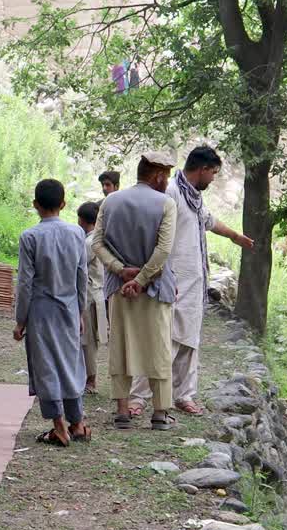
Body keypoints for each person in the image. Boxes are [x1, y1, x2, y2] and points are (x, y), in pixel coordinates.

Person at [128, 146, 253, 416]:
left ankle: (183, 394)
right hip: (172, 280)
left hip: (195, 281)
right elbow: (154, 231)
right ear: (203, 169)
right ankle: (138, 397)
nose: (213, 179)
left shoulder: (194, 197)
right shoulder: (171, 192)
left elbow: (208, 221)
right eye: (213, 173)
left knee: (189, 341)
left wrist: (234, 236)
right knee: (163, 339)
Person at [91, 152, 178, 430]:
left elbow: (97, 243)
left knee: (121, 346)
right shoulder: (166, 204)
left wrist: (120, 269)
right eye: (166, 176)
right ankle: (160, 413)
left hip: (119, 288)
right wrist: (141, 279)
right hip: (154, 289)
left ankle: (121, 411)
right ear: (159, 176)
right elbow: (163, 250)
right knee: (159, 348)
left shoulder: (111, 201)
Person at [14, 178, 90, 447]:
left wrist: (20, 320)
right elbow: (82, 277)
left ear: (35, 205)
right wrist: (80, 312)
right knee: (70, 363)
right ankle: (78, 422)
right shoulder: (77, 234)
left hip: (41, 311)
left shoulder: (30, 237)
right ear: (63, 204)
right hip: (69, 308)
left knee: (46, 366)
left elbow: (25, 282)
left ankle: (59, 427)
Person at [78, 172, 120, 393]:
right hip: (98, 294)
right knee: (91, 339)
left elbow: (79, 267)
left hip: (90, 295)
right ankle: (89, 378)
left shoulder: (89, 241)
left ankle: (91, 380)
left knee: (89, 342)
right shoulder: (99, 238)